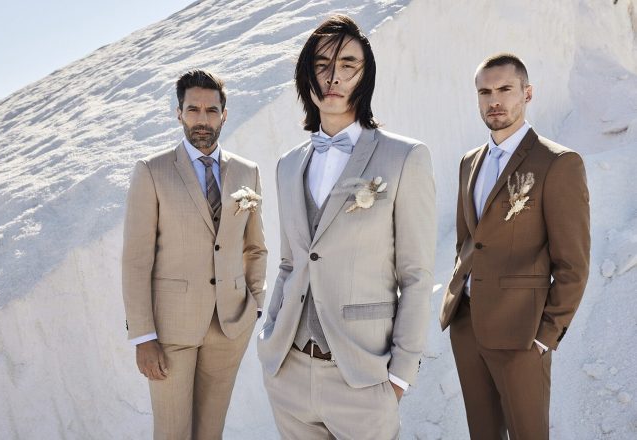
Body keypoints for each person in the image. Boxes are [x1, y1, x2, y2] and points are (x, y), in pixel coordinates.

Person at [257, 15, 436, 439]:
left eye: (348, 64)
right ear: (306, 75)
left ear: (365, 75)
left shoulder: (405, 157)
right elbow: (289, 263)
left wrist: (400, 376)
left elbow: (415, 275)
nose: (333, 77)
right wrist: (269, 342)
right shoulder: (288, 165)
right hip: (289, 374)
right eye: (321, 65)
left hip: (363, 379)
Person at [440, 53, 590, 440]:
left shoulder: (558, 163)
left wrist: (545, 336)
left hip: (523, 334)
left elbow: (573, 264)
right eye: (485, 92)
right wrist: (458, 308)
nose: (495, 100)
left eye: (505, 89)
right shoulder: (469, 162)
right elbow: (467, 242)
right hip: (467, 326)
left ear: (527, 93)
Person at [121, 70, 267, 440]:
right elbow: (136, 260)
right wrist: (143, 336)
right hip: (171, 330)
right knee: (172, 432)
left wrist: (254, 304)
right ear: (179, 113)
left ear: (224, 115)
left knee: (210, 432)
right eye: (193, 109)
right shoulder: (152, 171)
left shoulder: (247, 171)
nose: (203, 119)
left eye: (211, 110)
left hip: (230, 326)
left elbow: (255, 246)